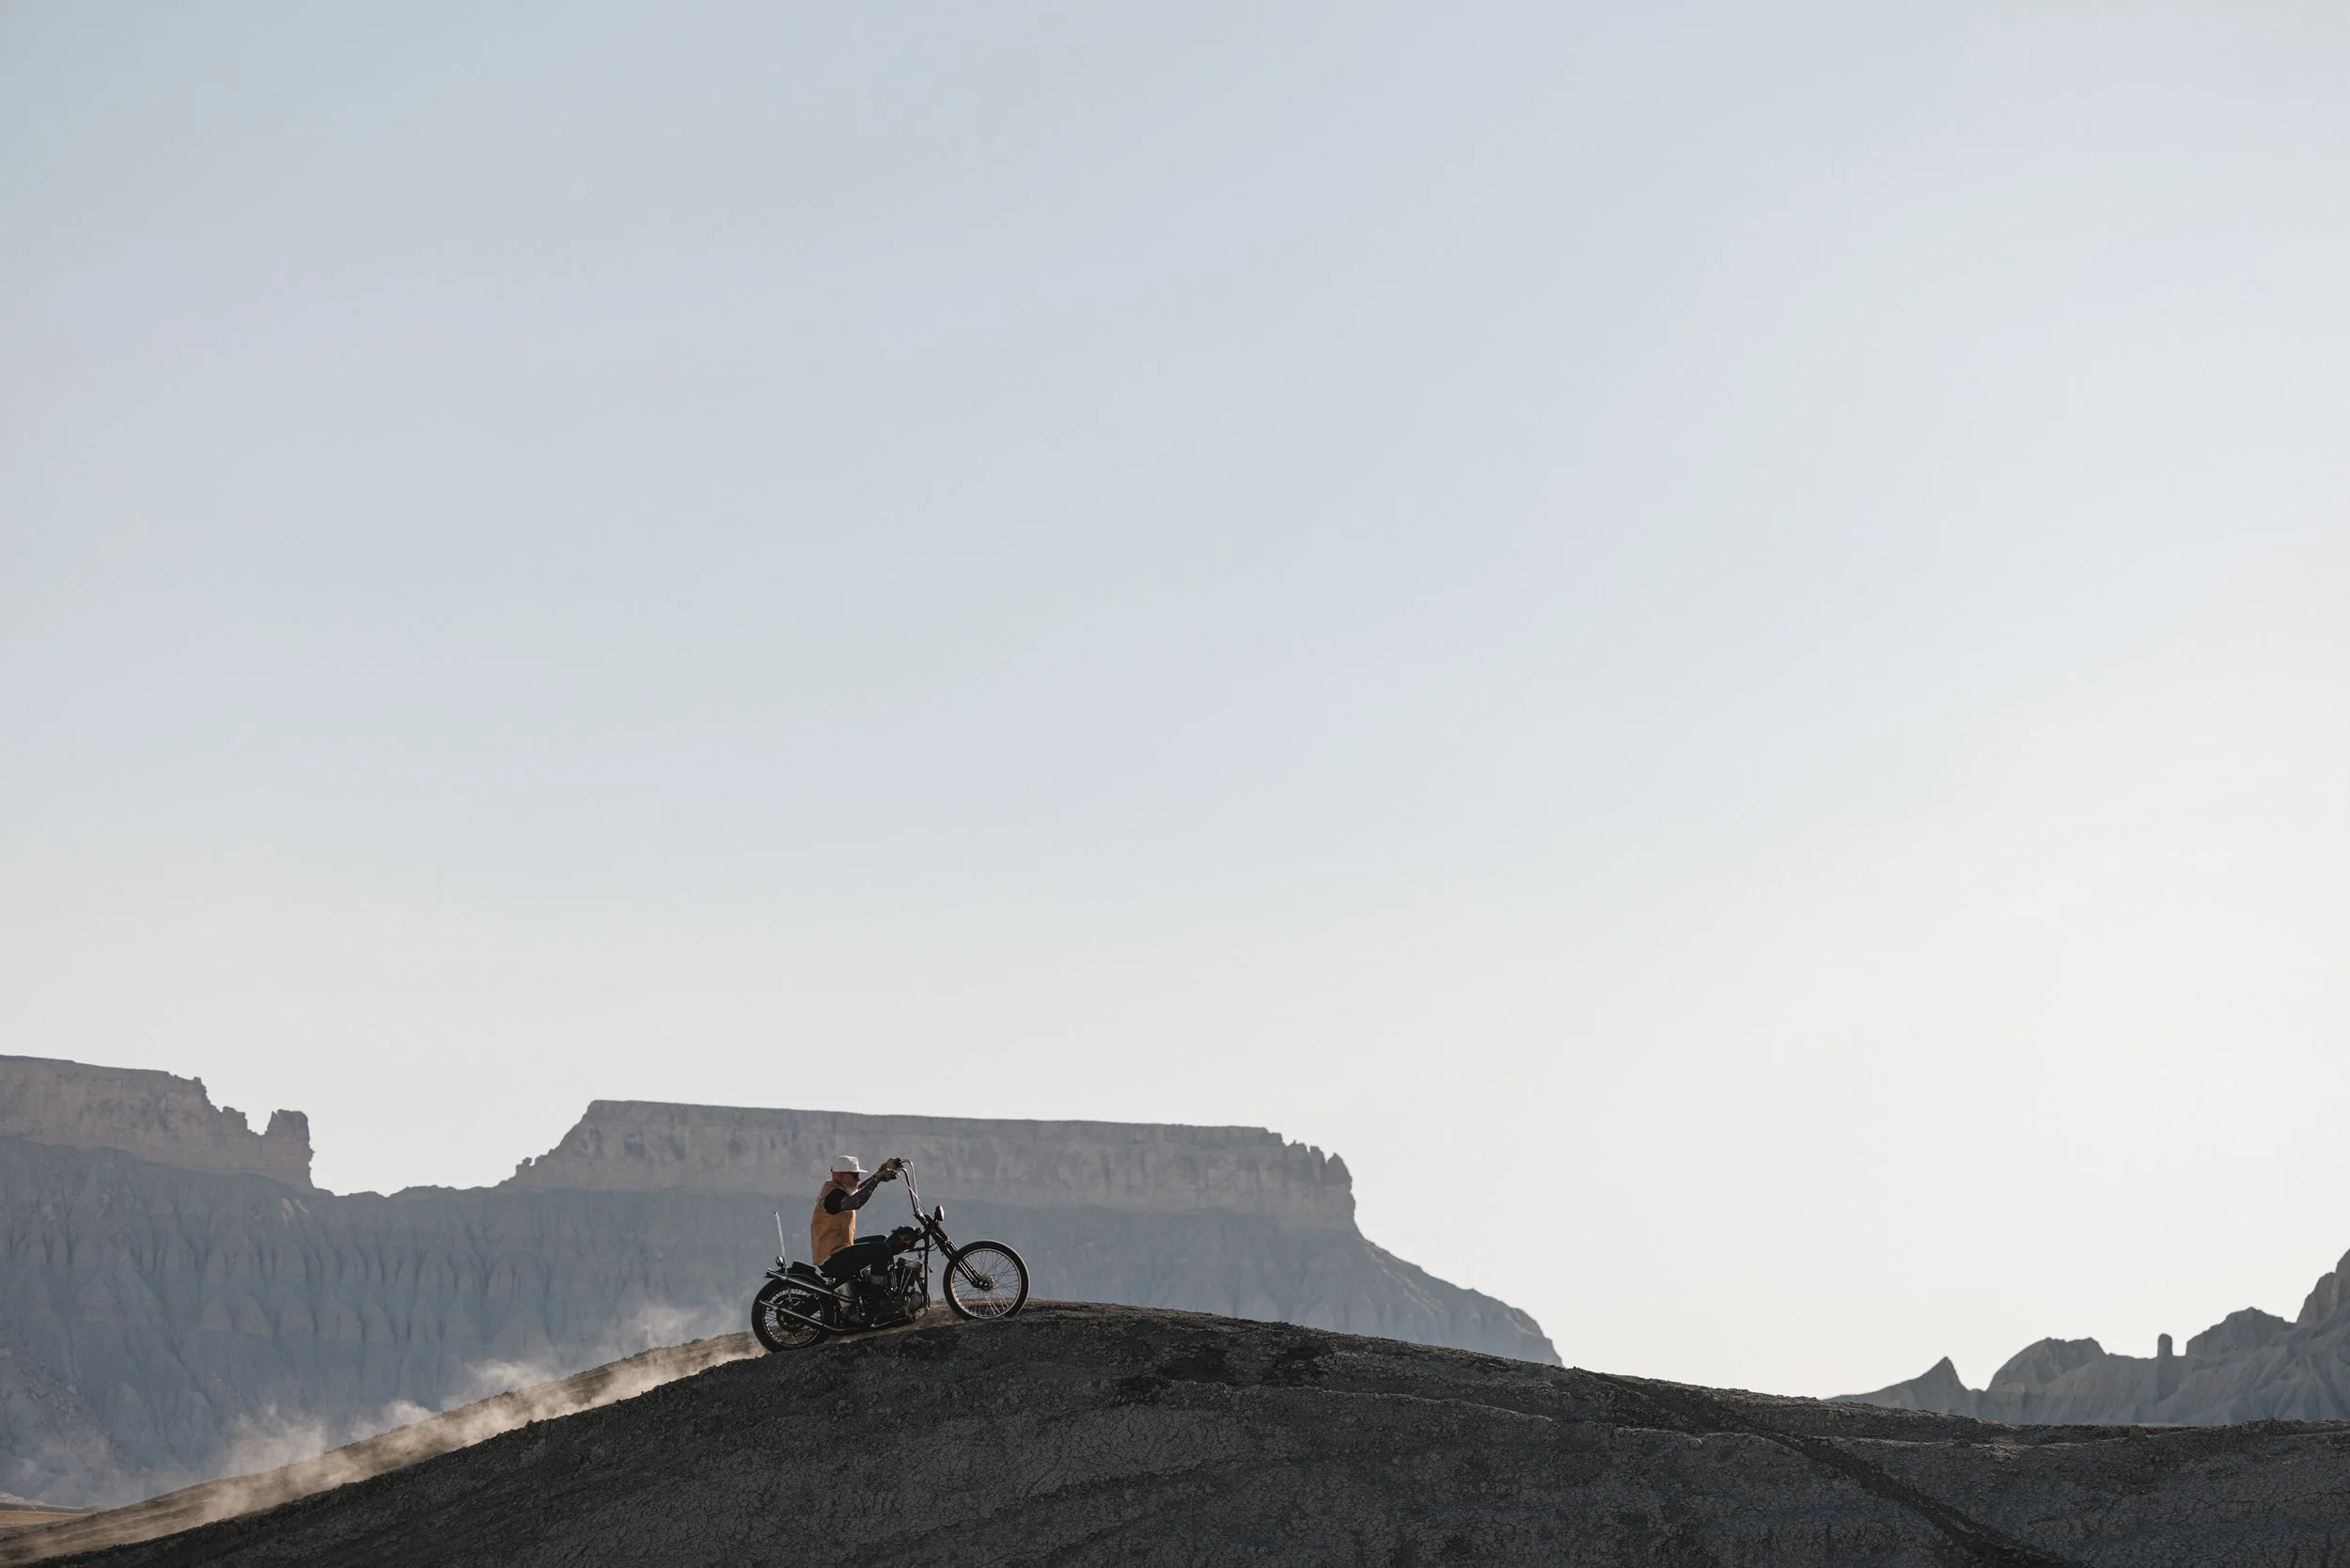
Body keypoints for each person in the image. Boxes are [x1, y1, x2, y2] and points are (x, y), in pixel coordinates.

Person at [810, 1154, 904, 1297]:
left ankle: (876, 1283)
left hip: (840, 1249)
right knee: (882, 1249)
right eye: (855, 1175)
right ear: (841, 1175)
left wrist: (879, 1172)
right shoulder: (832, 1197)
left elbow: (856, 1190)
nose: (858, 1179)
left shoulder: (838, 1189)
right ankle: (877, 1295)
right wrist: (877, 1179)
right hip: (832, 1257)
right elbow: (856, 1201)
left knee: (884, 1240)